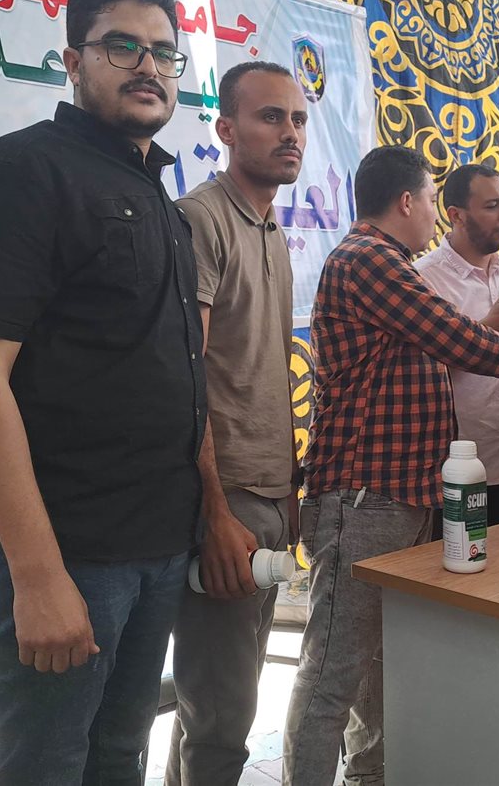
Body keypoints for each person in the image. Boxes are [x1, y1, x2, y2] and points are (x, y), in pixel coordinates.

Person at [0, 0, 203, 785]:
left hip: (155, 541)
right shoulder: (24, 171)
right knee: (44, 768)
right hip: (66, 547)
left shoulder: (158, 198)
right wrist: (38, 575)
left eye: (164, 52)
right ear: (72, 61)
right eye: (122, 46)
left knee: (118, 756)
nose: (148, 66)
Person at [282, 145, 499, 786]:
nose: (436, 216)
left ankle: (369, 775)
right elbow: (459, 339)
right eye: (434, 200)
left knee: (376, 658)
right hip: (366, 493)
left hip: (401, 492)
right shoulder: (370, 260)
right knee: (333, 670)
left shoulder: (385, 262)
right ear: (408, 201)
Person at [166, 61, 306, 785]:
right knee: (220, 714)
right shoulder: (202, 219)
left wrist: (290, 489)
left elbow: (267, 370)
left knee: (225, 701)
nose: (290, 133)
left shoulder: (272, 228)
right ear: (225, 129)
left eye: (298, 119)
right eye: (270, 117)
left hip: (268, 493)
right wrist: (215, 512)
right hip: (224, 500)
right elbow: (185, 376)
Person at [416, 163, 499, 524]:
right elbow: (419, 373)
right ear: (456, 215)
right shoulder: (425, 280)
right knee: (456, 559)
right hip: (454, 470)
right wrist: (489, 329)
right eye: (492, 206)